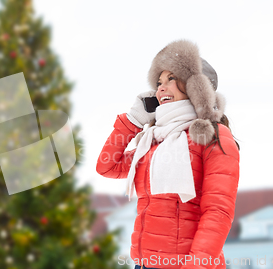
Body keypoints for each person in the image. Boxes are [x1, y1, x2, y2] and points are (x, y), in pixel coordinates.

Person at [96, 40, 240, 269]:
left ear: (196, 86)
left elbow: (218, 212)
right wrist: (133, 121)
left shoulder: (213, 136)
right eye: (159, 82)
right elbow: (107, 166)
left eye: (171, 78)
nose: (161, 88)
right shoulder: (153, 143)